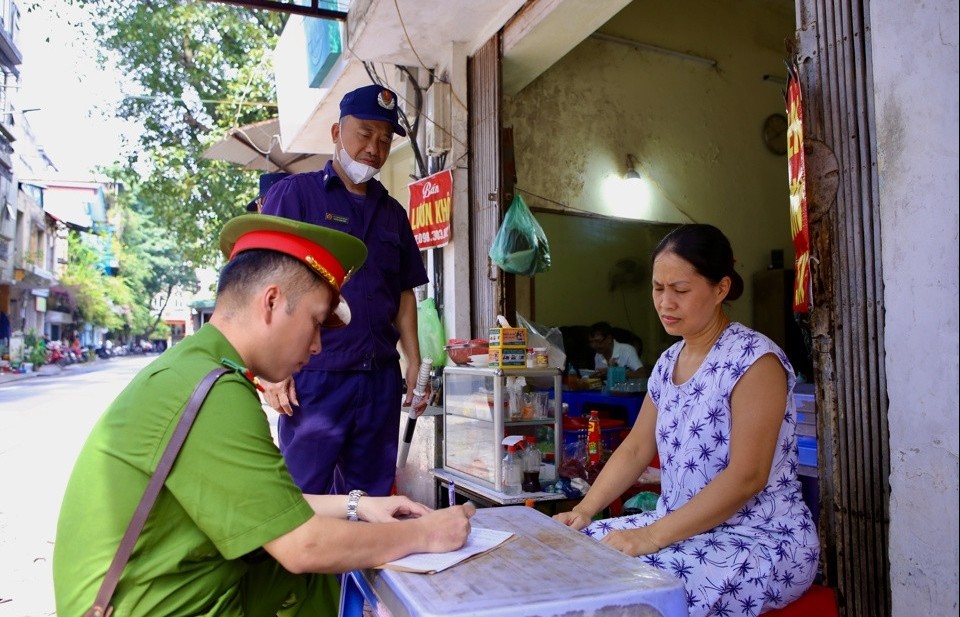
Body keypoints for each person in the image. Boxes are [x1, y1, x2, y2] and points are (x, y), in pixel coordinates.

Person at [53, 214, 473, 617]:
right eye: (314, 323)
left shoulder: (196, 366)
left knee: (323, 575)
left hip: (161, 590)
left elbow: (264, 505)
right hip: (153, 606)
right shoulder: (214, 391)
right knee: (319, 564)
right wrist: (427, 533)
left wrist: (358, 505)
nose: (316, 347)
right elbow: (301, 544)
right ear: (271, 302)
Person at [555, 224, 819, 617]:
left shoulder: (754, 361)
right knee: (572, 555)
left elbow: (747, 477)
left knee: (631, 588)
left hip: (758, 539)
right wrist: (586, 509)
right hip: (680, 527)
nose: (665, 303)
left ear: (721, 289)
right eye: (658, 289)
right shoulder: (666, 363)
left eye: (679, 290)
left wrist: (650, 537)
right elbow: (636, 447)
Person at [258, 83, 428, 497]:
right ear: (336, 133)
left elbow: (404, 292)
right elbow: (264, 283)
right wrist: (271, 372)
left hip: (379, 382)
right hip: (315, 380)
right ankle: (305, 565)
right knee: (304, 499)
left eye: (385, 139)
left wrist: (414, 360)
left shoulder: (393, 214)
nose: (375, 147)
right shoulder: (296, 196)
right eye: (365, 133)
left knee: (370, 501)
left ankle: (360, 564)